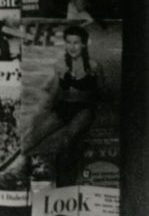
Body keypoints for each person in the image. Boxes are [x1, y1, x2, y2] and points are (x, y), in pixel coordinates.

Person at [22, 25, 105, 156]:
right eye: (69, 42)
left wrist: (96, 110)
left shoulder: (94, 66)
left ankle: (64, 170)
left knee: (67, 137)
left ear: (83, 44)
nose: (72, 47)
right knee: (32, 138)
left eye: (76, 43)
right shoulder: (61, 65)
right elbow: (55, 93)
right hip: (64, 106)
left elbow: (102, 92)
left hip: (84, 108)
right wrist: (43, 110)